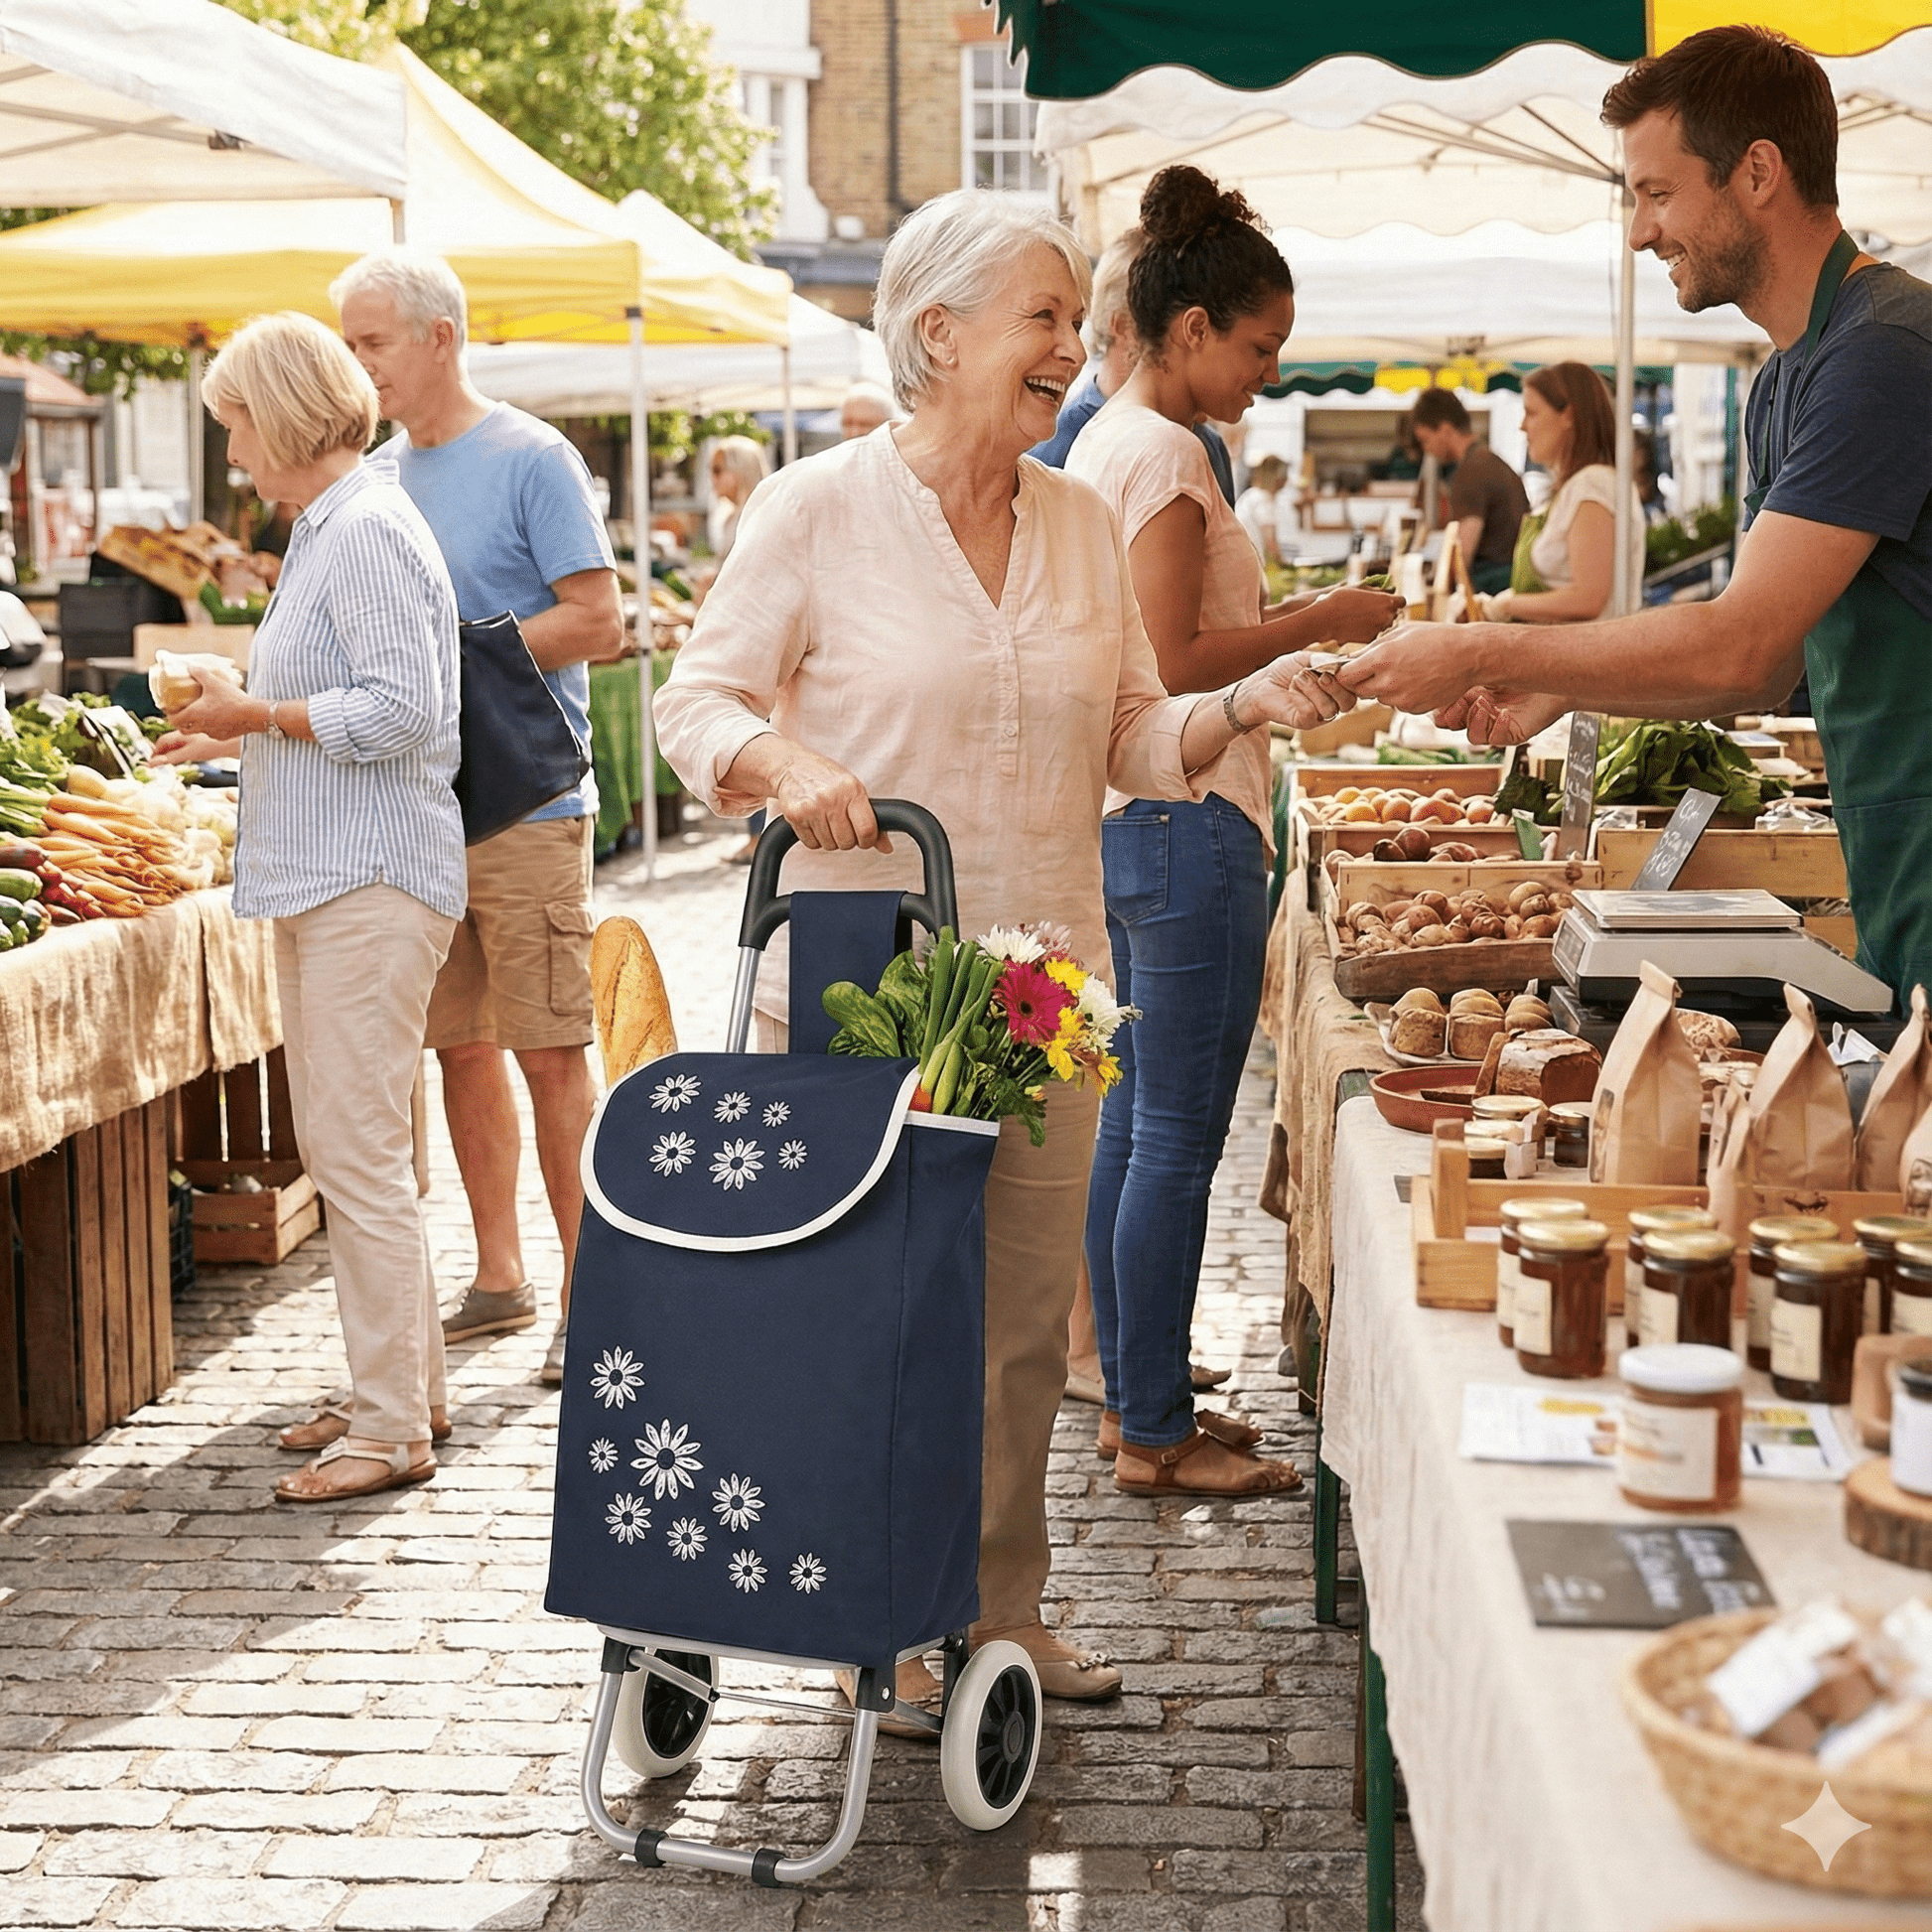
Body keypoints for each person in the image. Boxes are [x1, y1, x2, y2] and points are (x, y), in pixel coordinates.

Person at [656, 189, 1358, 1716]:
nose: (1071, 349)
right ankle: (878, 1612)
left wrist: (1243, 707)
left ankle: (997, 1607)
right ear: (938, 333)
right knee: (873, 1321)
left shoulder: (1080, 522)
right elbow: (693, 701)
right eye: (1043, 319)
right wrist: (783, 766)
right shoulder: (816, 507)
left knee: (1022, 1326)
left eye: (1072, 320)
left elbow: (1126, 734)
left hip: (1041, 990)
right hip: (860, 963)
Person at [1339, 25, 1932, 1003]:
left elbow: (1737, 648)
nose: (1637, 232)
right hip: (1894, 851)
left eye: (1656, 193)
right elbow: (1773, 662)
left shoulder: (1881, 355)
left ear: (1755, 173)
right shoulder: (1783, 378)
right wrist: (1572, 688)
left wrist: (1490, 652)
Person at [1065, 165, 1403, 1500]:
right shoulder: (1158, 449)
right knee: (1168, 1136)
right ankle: (1151, 1422)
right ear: (1189, 326)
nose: (1265, 374)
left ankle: (1134, 1390)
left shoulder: (1112, 439)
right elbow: (1174, 655)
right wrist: (1318, 624)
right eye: (1257, 348)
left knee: (1130, 1126)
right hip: (1181, 815)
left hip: (1144, 821)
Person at [154, 314, 465, 1502]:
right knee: (360, 1148)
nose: (232, 456)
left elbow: (399, 709)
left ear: (282, 415)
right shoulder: (339, 525)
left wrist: (258, 717)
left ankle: (391, 1426)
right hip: (342, 874)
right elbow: (347, 699)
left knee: (357, 1154)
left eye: (235, 427)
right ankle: (403, 1387)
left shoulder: (366, 529)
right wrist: (234, 723)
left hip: (369, 881)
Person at [332, 249, 624, 1387]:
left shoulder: (532, 456)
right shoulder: (378, 476)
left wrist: (448, 654)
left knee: (551, 1053)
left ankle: (590, 1289)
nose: (359, 366)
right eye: (350, 344)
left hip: (528, 799)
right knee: (459, 1045)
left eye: (373, 343)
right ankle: (498, 1277)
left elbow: (596, 621)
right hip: (418, 804)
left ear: (440, 337)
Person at [1028, 225, 1238, 503]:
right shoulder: (1057, 440)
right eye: (1163, 317)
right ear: (1122, 326)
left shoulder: (1208, 444)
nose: (1191, 337)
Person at [1474, 362, 1644, 622]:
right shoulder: (1579, 485)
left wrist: (1509, 605)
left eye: (1531, 413)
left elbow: (1588, 598)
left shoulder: (1593, 485)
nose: (1522, 426)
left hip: (1586, 658)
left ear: (1568, 416)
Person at [1408, 388, 1529, 596]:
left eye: (1425, 440)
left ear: (1445, 430)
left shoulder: (1469, 473)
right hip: (1515, 579)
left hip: (1494, 587)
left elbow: (1461, 555)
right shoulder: (1491, 461)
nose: (1426, 449)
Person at [706, 435, 768, 567]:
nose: (712, 478)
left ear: (738, 470)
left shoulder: (758, 519)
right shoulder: (732, 517)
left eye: (717, 470)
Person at [1235, 454, 1290, 565]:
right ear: (1278, 479)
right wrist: (1285, 565)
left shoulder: (1250, 495)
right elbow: (1270, 543)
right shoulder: (1263, 500)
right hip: (1251, 565)